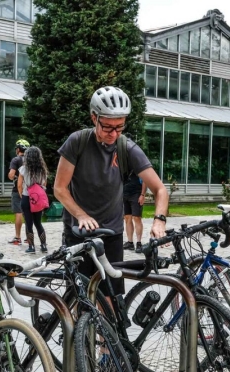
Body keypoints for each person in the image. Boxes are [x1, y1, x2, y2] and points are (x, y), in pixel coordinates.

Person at [54, 86, 168, 294]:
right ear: (93, 118)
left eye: (120, 127)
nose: (113, 134)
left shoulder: (126, 148)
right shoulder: (77, 142)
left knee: (111, 298)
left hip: (112, 233)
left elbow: (159, 189)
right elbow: (59, 189)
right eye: (107, 127)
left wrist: (159, 220)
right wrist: (81, 215)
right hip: (79, 233)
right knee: (79, 297)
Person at [17, 146, 49, 253]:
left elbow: (19, 185)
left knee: (28, 223)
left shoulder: (23, 169)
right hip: (38, 198)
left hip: (27, 197)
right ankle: (43, 245)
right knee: (38, 223)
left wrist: (22, 195)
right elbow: (44, 184)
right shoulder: (43, 170)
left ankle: (31, 247)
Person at [8, 139, 30, 245]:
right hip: (30, 190)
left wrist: (15, 176)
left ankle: (17, 237)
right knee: (28, 214)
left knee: (18, 212)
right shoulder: (31, 160)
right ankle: (29, 237)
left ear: (18, 149)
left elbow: (11, 175)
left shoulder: (16, 160)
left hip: (18, 189)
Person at [122, 169, 148, 251]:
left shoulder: (138, 166)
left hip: (136, 194)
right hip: (124, 194)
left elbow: (145, 180)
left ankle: (139, 243)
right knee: (127, 218)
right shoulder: (123, 166)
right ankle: (130, 243)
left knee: (137, 218)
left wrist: (142, 195)